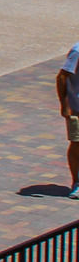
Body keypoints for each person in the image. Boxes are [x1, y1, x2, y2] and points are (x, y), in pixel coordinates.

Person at [58, 42, 79, 199]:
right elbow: (62, 77)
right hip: (77, 109)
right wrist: (64, 106)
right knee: (77, 144)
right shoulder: (77, 51)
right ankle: (77, 184)